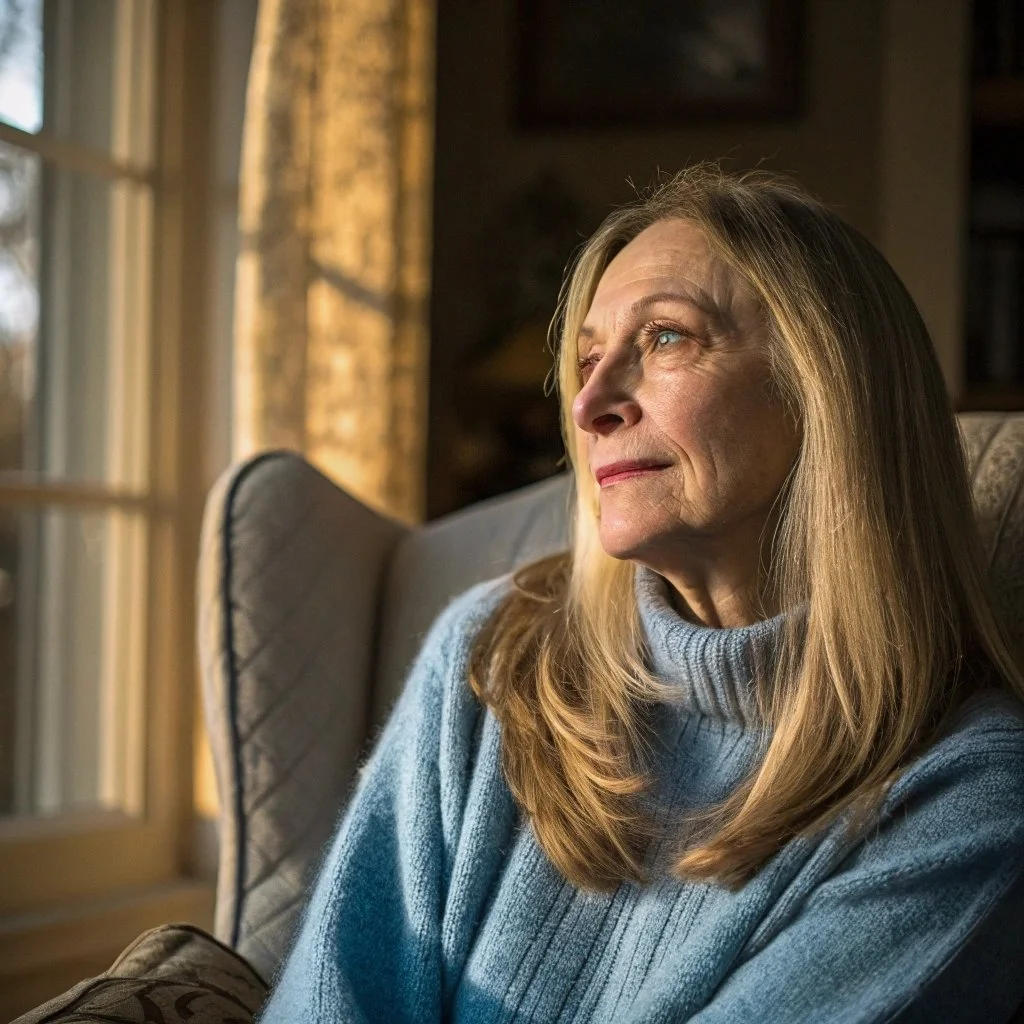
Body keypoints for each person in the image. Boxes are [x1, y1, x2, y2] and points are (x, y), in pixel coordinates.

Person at [259, 166, 1024, 1023]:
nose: (589, 403)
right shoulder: (494, 659)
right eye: (587, 359)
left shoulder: (971, 797)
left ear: (829, 388)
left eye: (665, 337)